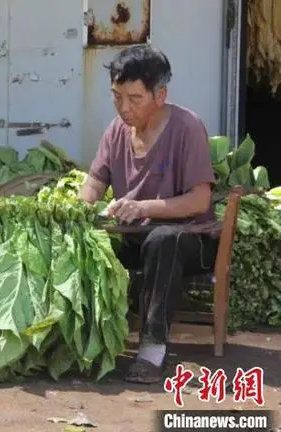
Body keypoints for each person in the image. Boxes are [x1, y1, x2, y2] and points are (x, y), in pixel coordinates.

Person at [78, 44, 218, 384]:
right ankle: (84, 342)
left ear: (160, 94)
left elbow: (199, 201)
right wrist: (79, 210)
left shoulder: (187, 127)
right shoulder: (116, 130)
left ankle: (153, 351)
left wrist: (142, 207)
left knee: (163, 240)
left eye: (134, 98)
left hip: (190, 240)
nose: (123, 108)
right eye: (116, 96)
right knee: (83, 240)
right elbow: (95, 182)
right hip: (135, 236)